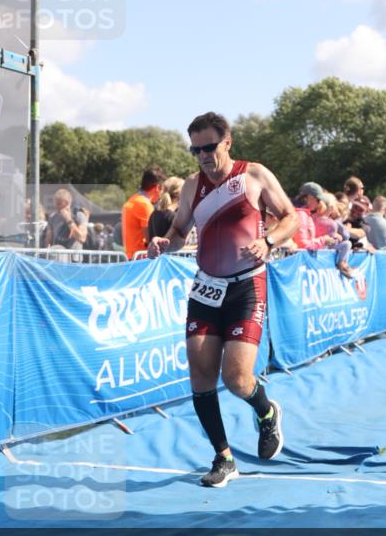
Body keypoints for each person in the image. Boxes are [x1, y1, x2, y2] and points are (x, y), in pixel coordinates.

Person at [147, 111, 298, 489]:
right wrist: (167, 242)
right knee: (200, 374)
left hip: (246, 285)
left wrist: (269, 241)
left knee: (235, 377)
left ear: (227, 142)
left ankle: (265, 412)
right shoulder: (192, 186)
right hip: (206, 286)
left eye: (209, 147)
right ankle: (224, 458)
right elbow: (180, 229)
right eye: (195, 149)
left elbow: (291, 218)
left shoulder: (255, 175)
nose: (202, 155)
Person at [122, 166, 166, 259]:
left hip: (131, 256)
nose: (162, 194)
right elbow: (151, 238)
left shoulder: (132, 200)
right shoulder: (144, 205)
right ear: (158, 187)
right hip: (141, 258)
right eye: (163, 190)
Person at [148, 176, 184, 241]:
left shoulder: (154, 214)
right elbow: (176, 247)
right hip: (169, 251)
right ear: (179, 194)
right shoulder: (174, 217)